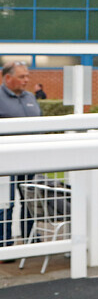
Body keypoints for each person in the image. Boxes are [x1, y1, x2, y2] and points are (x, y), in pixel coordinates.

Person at [1, 61, 42, 247]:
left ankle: (30, 239)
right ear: (7, 78)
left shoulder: (30, 97)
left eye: (27, 76)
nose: (26, 80)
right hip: (5, 161)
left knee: (30, 200)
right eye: (21, 77)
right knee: (5, 203)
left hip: (30, 160)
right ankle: (4, 243)